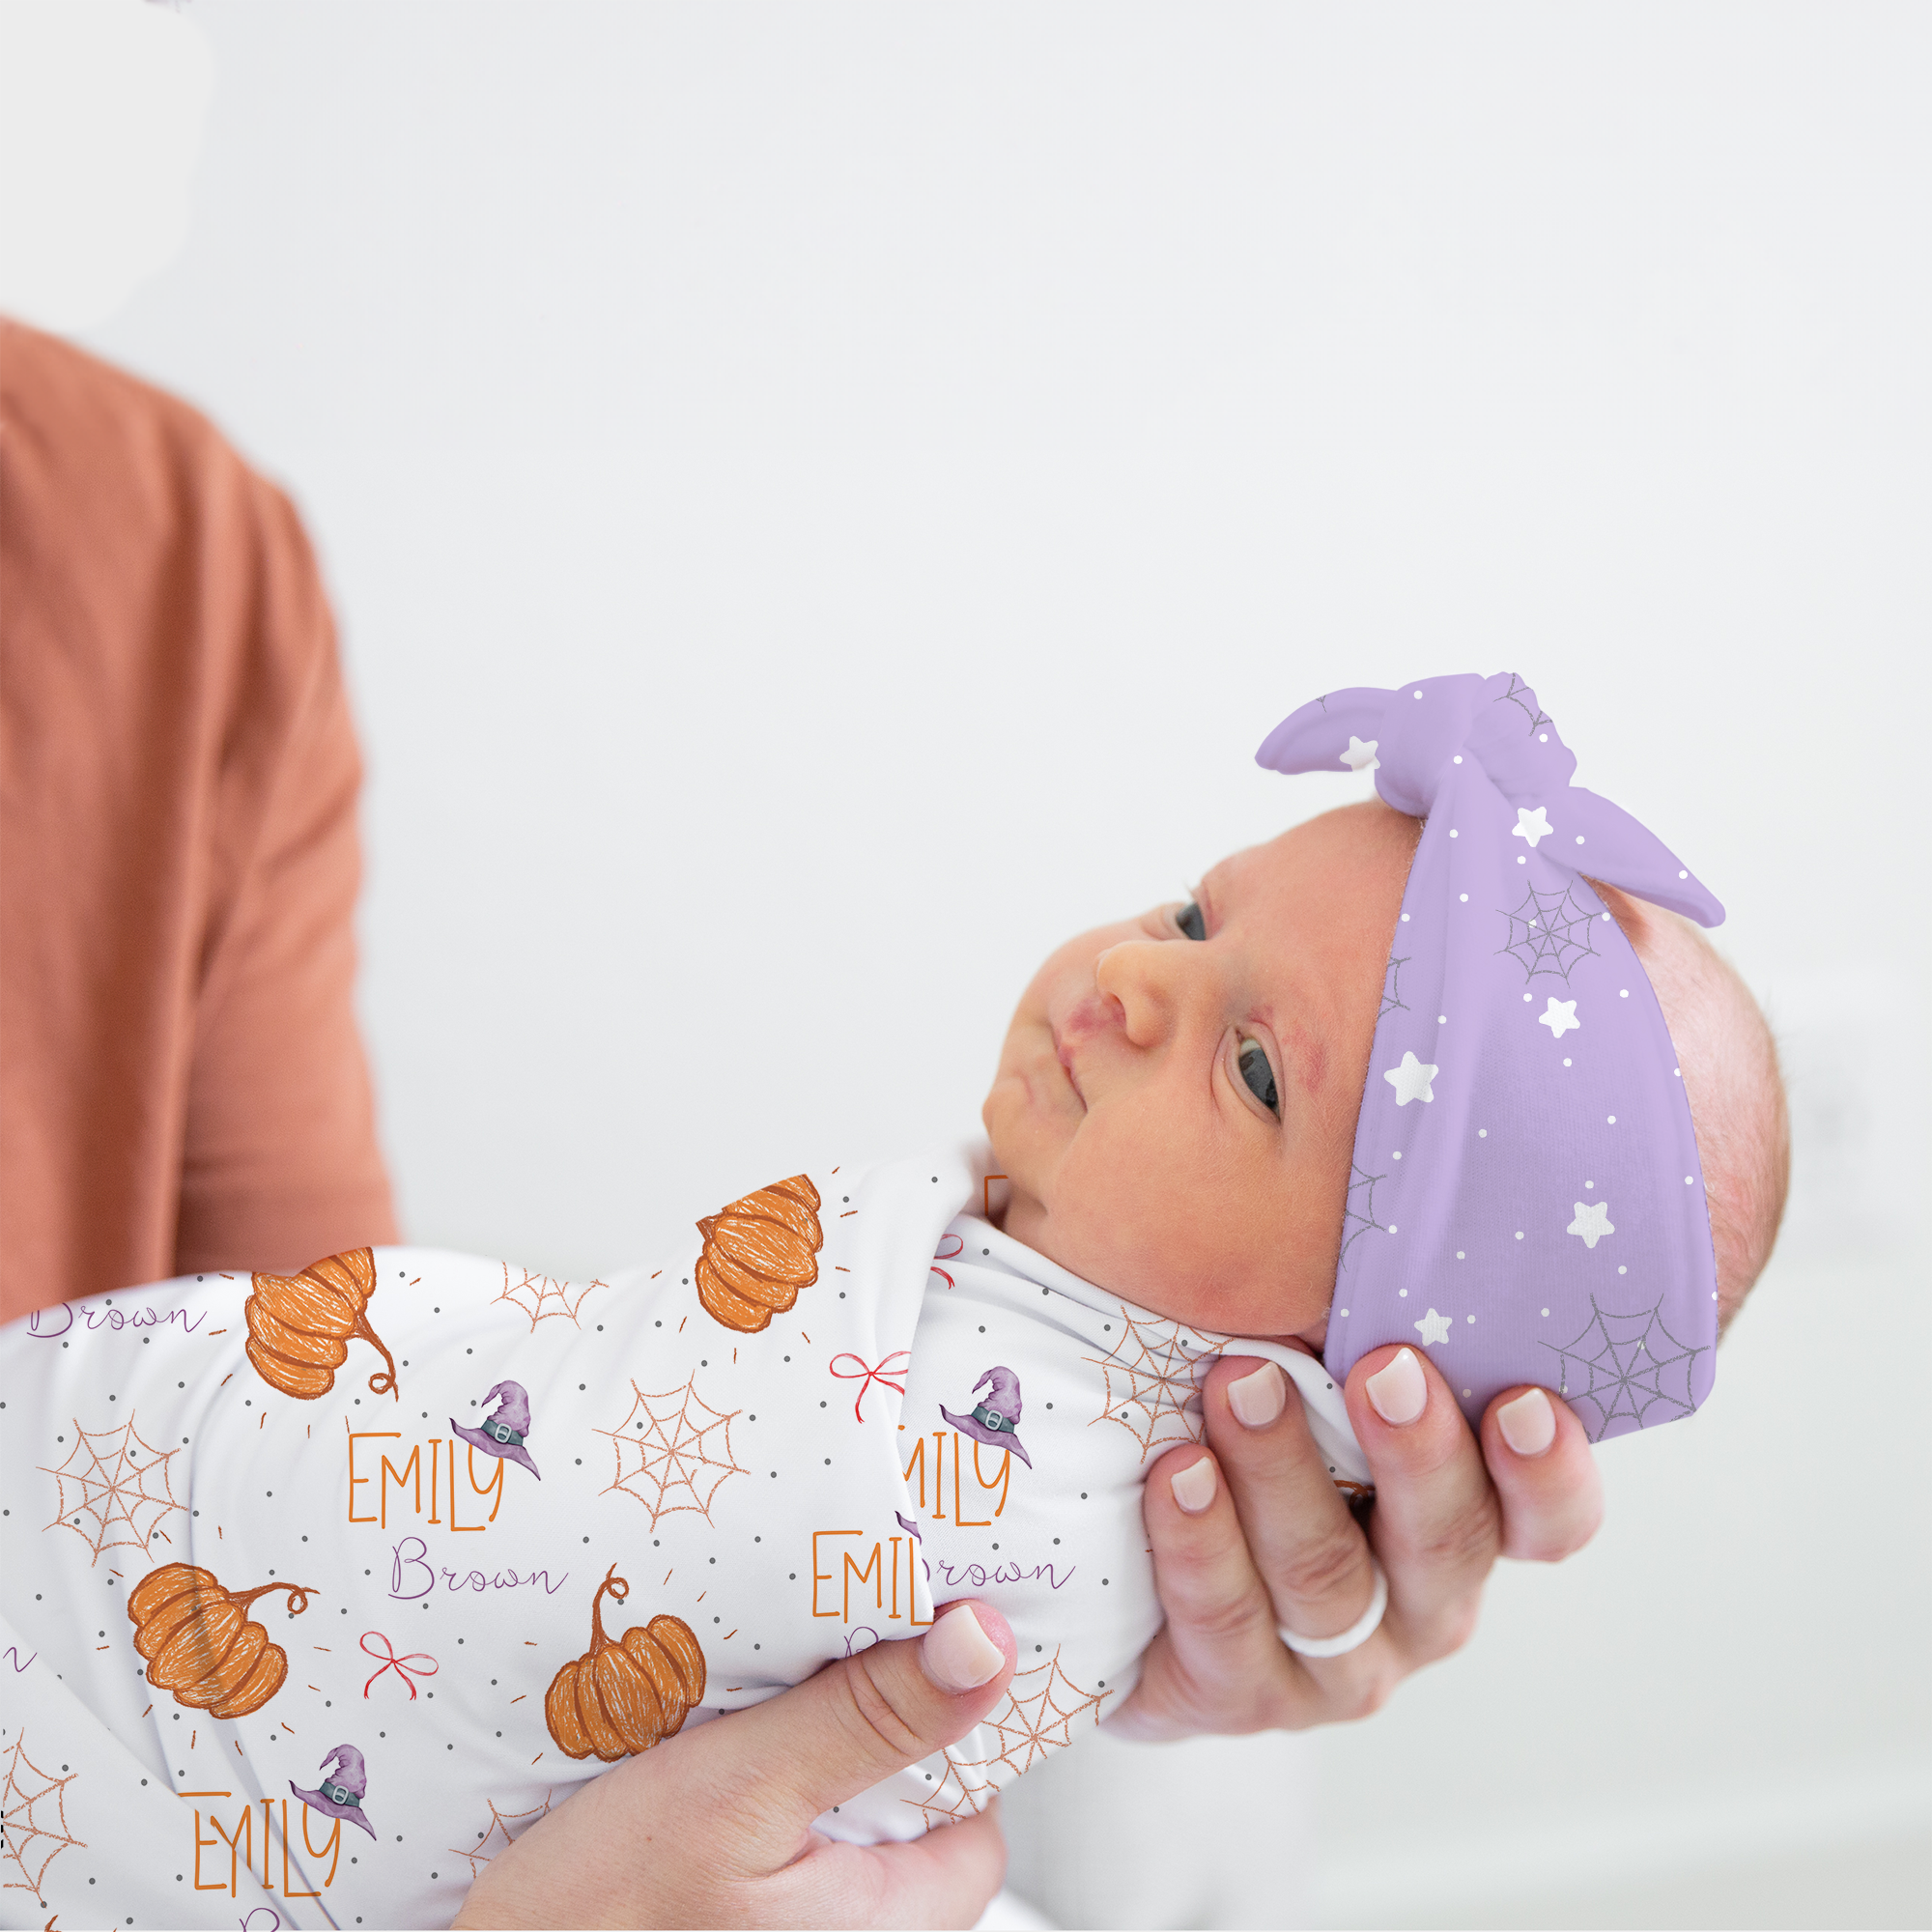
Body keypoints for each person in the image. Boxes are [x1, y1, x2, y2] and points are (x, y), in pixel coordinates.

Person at [0, 325, 1626, 1929]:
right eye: (1193, 919)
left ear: (1345, 1376)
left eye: (1259, 1071)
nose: (1136, 975)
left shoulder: (168, 557)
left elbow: (318, 1388)